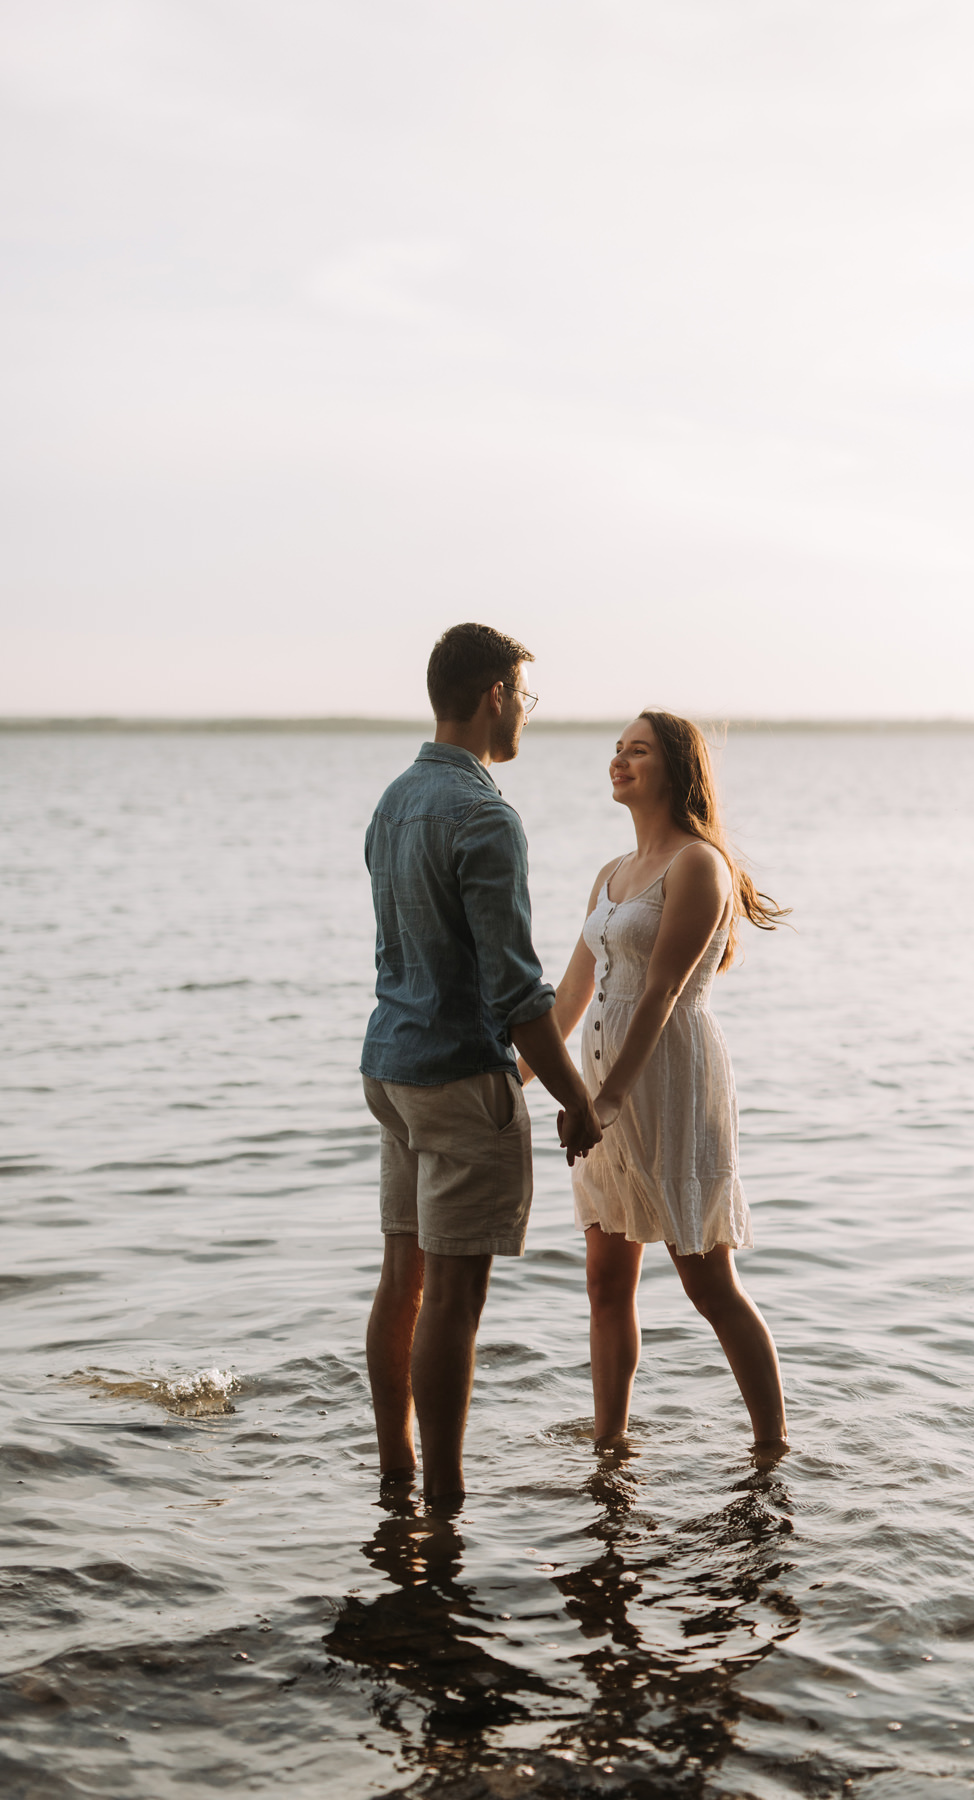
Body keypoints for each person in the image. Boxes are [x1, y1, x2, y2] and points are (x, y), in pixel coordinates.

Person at [360, 623, 602, 1503]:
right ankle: (445, 1501)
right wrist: (577, 1099)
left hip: (390, 1069)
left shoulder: (394, 801)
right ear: (495, 695)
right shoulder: (485, 815)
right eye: (524, 696)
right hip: (461, 1077)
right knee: (453, 1300)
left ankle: (397, 1474)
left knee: (402, 1280)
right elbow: (515, 991)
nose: (525, 714)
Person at [528, 710, 789, 1455]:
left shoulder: (699, 864)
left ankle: (771, 1446)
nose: (619, 760)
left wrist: (608, 1101)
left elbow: (663, 991)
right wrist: (517, 1077)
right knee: (605, 1282)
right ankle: (610, 1446)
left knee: (708, 1284)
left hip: (669, 1083)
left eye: (637, 751)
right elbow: (572, 993)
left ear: (675, 769)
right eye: (617, 749)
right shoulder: (611, 874)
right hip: (599, 1084)